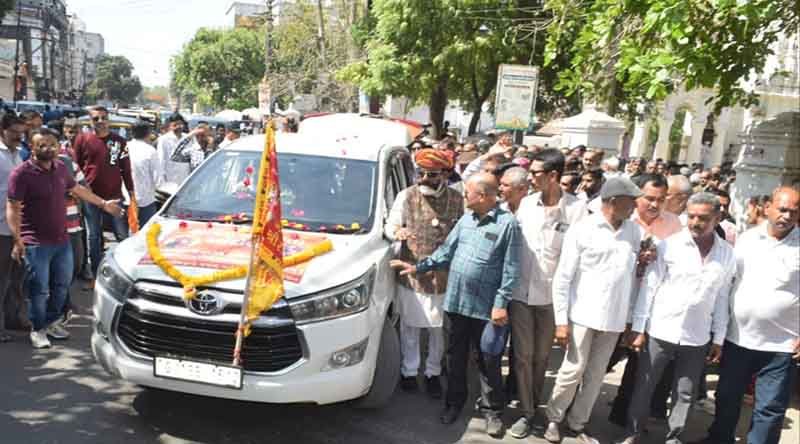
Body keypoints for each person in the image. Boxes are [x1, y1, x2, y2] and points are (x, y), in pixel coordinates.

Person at [390, 173, 520, 437]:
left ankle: (492, 411)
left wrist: (500, 304)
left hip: (486, 309)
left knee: (488, 360)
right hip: (457, 303)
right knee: (455, 359)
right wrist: (418, 267)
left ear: (482, 196)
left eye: (467, 193)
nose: (463, 197)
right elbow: (445, 253)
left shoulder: (508, 225)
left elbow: (511, 269)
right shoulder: (466, 220)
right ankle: (453, 404)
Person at [617, 192, 736, 444]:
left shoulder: (726, 254)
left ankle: (675, 437)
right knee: (644, 386)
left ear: (717, 218)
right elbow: (649, 288)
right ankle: (633, 432)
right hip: (661, 329)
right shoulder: (668, 245)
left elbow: (722, 298)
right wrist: (638, 327)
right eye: (691, 216)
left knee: (685, 392)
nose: (695, 222)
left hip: (698, 334)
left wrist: (719, 338)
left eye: (703, 218)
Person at [544, 176, 643, 444]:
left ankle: (578, 424)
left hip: (614, 318)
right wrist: (561, 321)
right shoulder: (583, 229)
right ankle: (554, 418)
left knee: (596, 374)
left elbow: (634, 278)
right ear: (613, 201)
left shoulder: (634, 232)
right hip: (582, 314)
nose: (636, 205)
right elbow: (563, 278)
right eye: (631, 200)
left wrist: (631, 319)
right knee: (572, 371)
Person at [698, 186, 800, 444]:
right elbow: (728, 282)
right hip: (738, 338)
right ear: (768, 208)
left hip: (782, 344)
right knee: (727, 397)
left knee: (770, 408)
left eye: (794, 212)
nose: (786, 216)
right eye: (782, 209)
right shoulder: (747, 239)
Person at [6, 129, 123, 348]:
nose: (47, 148)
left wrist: (104, 204)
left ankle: (51, 322)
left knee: (61, 286)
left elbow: (78, 189)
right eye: (41, 145)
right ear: (32, 147)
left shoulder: (61, 168)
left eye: (51, 144)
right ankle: (38, 329)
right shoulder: (21, 174)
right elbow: (13, 208)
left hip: (62, 240)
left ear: (57, 146)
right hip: (35, 242)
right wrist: (17, 239)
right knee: (39, 289)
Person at [508, 149, 587, 438]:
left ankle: (540, 407)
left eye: (536, 174)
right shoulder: (526, 204)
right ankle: (527, 413)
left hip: (554, 299)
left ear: (553, 176)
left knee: (542, 358)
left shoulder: (577, 210)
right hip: (520, 293)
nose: (530, 178)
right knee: (522, 356)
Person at [385, 148, 463, 398]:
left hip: (443, 275)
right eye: (421, 174)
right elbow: (391, 223)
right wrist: (397, 232)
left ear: (444, 174)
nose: (424, 179)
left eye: (431, 174)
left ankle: (432, 373)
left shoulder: (456, 199)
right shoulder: (406, 196)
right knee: (410, 325)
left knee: (437, 329)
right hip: (411, 272)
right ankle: (409, 372)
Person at [608, 173, 683, 426]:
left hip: (649, 305)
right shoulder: (622, 220)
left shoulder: (674, 225)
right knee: (602, 360)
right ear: (637, 195)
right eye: (649, 198)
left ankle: (622, 415)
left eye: (660, 200)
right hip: (615, 301)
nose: (654, 204)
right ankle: (574, 412)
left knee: (638, 364)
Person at [73, 106, 134, 280]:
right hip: (90, 197)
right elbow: (75, 167)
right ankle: (96, 272)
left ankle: (125, 273)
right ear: (90, 121)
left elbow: (126, 168)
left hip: (115, 197)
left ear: (109, 119)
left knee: (122, 235)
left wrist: (131, 191)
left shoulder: (120, 142)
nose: (100, 121)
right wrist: (79, 193)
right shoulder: (82, 139)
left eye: (103, 118)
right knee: (93, 236)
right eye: (96, 119)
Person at [0, 113, 26, 342]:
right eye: (14, 132)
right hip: (0, 228)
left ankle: (13, 319)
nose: (19, 136)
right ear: (2, 130)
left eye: (21, 132)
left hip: (17, 228)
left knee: (16, 278)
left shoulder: (19, 156)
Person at [127, 121, 163, 226]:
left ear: (132, 133)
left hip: (126, 199)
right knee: (146, 234)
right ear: (148, 134)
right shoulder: (150, 151)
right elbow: (158, 179)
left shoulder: (124, 147)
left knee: (126, 235)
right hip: (146, 201)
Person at [156, 113, 188, 185]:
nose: (178, 127)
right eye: (175, 125)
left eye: (180, 124)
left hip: (185, 179)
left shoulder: (188, 138)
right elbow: (161, 160)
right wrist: (162, 180)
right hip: (170, 179)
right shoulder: (163, 139)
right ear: (170, 126)